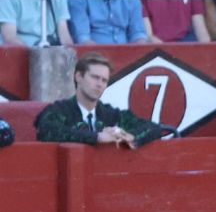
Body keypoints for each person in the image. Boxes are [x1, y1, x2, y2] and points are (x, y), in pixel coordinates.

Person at [34, 52, 165, 145]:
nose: (99, 84)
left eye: (104, 80)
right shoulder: (59, 110)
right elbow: (48, 130)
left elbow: (154, 128)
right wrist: (97, 137)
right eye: (95, 77)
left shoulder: (110, 114)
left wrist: (129, 136)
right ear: (78, 77)